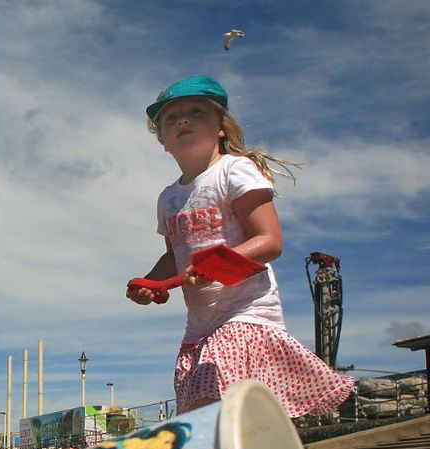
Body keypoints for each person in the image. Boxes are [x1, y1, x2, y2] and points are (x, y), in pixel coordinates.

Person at [126, 75, 354, 417]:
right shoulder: (169, 198)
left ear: (221, 126)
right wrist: (151, 283)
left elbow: (269, 241)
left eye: (196, 111)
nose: (183, 120)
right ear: (163, 140)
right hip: (199, 328)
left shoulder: (234, 170)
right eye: (170, 118)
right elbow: (174, 256)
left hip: (245, 314)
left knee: (212, 412)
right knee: (210, 417)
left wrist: (213, 266)